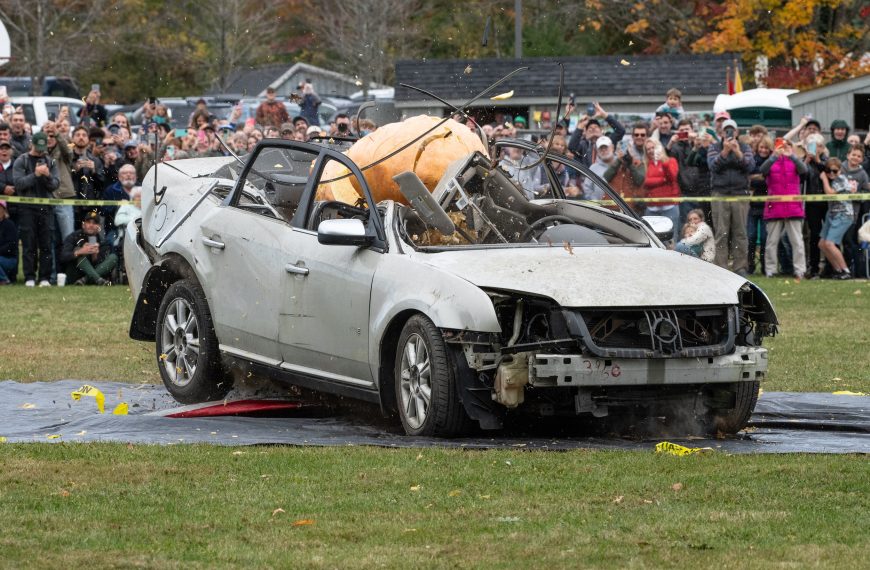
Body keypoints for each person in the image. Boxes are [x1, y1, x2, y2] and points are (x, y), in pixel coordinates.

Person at [707, 119, 754, 276]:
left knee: (740, 232)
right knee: (721, 232)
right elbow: (712, 166)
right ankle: (721, 266)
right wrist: (725, 152)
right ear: (720, 133)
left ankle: (740, 267)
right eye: (726, 130)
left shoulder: (745, 147)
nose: (729, 133)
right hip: (720, 194)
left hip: (740, 194)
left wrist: (737, 152)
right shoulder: (714, 147)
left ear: (736, 132)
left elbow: (750, 166)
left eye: (731, 130)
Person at [13, 132, 60, 287]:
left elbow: (55, 184)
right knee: (29, 244)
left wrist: (46, 176)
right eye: (37, 147)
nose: (40, 150)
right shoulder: (22, 160)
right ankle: (29, 277)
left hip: (46, 208)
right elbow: (19, 184)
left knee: (46, 244)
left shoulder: (50, 161)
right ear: (31, 144)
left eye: (43, 147)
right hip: (27, 208)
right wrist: (35, 175)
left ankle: (45, 277)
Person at [760, 138, 807, 279]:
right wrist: (774, 156)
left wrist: (791, 155)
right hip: (774, 207)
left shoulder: (794, 160)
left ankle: (800, 270)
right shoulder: (771, 160)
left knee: (797, 241)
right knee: (772, 241)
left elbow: (804, 170)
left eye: (787, 145)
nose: (784, 147)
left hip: (793, 207)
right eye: (781, 145)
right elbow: (763, 170)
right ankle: (770, 270)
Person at [818, 157, 857, 279]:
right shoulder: (833, 179)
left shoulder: (840, 179)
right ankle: (838, 270)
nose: (831, 173)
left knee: (829, 244)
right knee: (822, 244)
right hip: (832, 214)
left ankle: (846, 271)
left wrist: (824, 179)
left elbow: (830, 193)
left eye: (834, 171)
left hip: (843, 215)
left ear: (840, 170)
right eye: (829, 171)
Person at [59, 210, 117, 285]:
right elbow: (63, 257)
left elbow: (103, 266)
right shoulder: (73, 237)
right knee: (79, 253)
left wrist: (95, 256)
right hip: (75, 275)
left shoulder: (102, 241)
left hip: (90, 278)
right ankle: (96, 279)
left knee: (113, 257)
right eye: (88, 222)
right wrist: (80, 251)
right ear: (83, 225)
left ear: (99, 227)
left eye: (94, 223)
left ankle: (85, 280)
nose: (91, 225)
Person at [641, 137, 681, 241]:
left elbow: (672, 177)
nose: (650, 151)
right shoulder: (646, 164)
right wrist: (662, 179)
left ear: (658, 147)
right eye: (647, 149)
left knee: (671, 241)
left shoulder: (671, 161)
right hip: (652, 209)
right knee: (652, 241)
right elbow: (646, 182)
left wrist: (664, 163)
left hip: (669, 207)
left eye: (652, 147)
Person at [604, 123, 647, 215]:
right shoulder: (617, 163)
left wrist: (630, 163)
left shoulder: (638, 163)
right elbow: (606, 177)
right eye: (636, 135)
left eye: (642, 135)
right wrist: (619, 160)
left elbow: (639, 180)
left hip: (632, 208)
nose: (639, 137)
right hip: (614, 207)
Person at [567, 102, 625, 167]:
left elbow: (621, 131)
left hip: (607, 175)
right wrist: (581, 125)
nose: (593, 129)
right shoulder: (583, 145)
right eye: (590, 128)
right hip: (587, 176)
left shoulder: (608, 141)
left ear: (601, 131)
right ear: (585, 133)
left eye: (596, 127)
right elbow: (571, 148)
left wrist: (604, 115)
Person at [747, 136, 773, 273]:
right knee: (750, 236)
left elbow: (767, 180)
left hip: (768, 204)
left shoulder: (772, 161)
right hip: (752, 204)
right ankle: (750, 266)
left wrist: (758, 178)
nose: (763, 150)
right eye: (761, 147)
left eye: (766, 148)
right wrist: (761, 177)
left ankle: (764, 266)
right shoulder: (752, 161)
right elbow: (750, 179)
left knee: (764, 238)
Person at [0, 200, 17, 284]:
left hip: (9, 259)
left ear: (4, 210)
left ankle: (4, 279)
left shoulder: (9, 225)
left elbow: (11, 245)